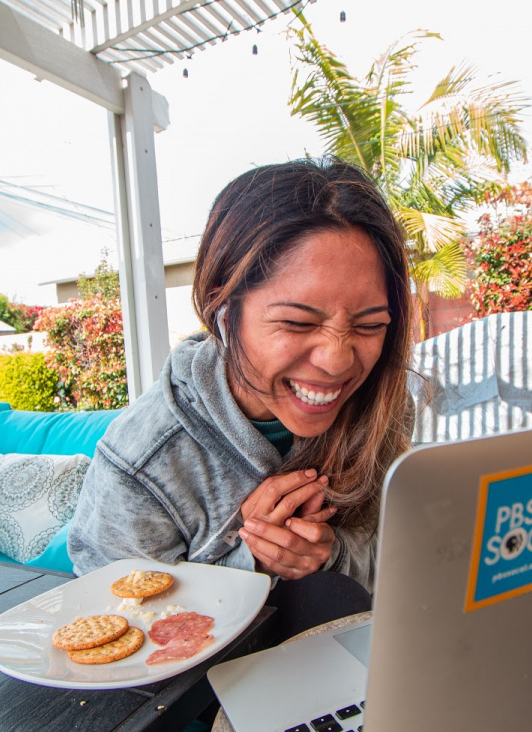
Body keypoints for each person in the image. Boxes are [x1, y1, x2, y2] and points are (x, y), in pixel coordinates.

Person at [68, 157, 413, 599]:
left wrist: (331, 556)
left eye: (369, 326)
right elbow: (113, 618)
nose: (336, 361)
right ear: (224, 309)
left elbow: (403, 559)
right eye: (297, 323)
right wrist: (247, 559)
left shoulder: (384, 405)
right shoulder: (143, 461)